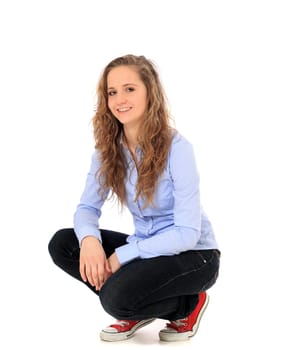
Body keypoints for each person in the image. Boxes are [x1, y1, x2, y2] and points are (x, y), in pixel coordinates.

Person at [48, 54, 220, 342]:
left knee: (115, 300)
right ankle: (138, 302)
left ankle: (188, 305)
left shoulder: (178, 149)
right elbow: (87, 208)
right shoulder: (108, 151)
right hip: (147, 249)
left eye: (129, 89)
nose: (119, 99)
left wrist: (122, 256)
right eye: (112, 92)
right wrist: (89, 241)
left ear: (149, 92)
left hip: (194, 257)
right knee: (64, 244)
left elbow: (187, 235)